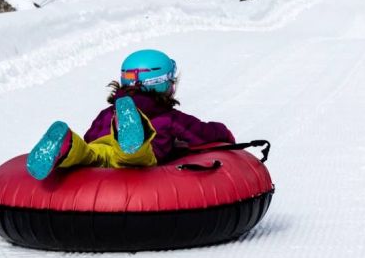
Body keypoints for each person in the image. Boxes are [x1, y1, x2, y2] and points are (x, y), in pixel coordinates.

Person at [26, 49, 236, 180]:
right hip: (135, 159)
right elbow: (202, 133)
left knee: (90, 153)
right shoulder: (170, 117)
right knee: (134, 154)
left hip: (102, 148)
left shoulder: (108, 112)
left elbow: (91, 136)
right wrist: (223, 133)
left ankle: (69, 146)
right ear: (164, 84)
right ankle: (133, 136)